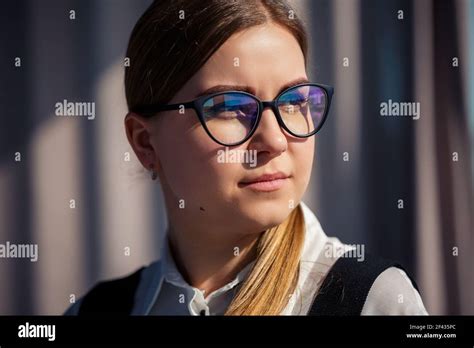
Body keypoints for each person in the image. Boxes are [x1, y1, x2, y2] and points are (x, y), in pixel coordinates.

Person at [65, 0, 428, 316]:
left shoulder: (373, 301)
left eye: (294, 101)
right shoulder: (93, 311)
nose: (274, 140)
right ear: (145, 143)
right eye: (229, 107)